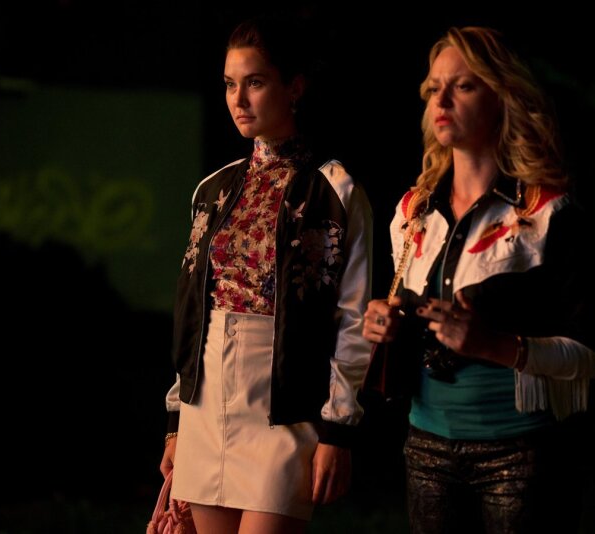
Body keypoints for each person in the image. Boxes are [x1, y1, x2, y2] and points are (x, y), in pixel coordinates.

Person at [362, 27, 595, 533]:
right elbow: (404, 322)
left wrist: (493, 345)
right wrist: (383, 325)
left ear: (501, 97)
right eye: (434, 88)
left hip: (521, 453)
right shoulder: (412, 211)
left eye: (463, 86)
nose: (442, 101)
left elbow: (594, 353)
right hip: (426, 448)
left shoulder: (547, 213)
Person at [159, 15, 373, 534]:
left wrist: (338, 429)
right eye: (230, 84)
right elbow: (194, 310)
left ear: (293, 87)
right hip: (206, 403)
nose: (239, 99)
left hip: (284, 407)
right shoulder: (213, 190)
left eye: (254, 82)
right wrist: (176, 419)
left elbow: (353, 317)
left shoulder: (335, 190)